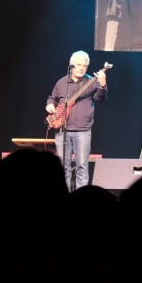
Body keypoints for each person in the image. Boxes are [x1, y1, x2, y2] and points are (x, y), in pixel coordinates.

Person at [45, 50, 107, 191]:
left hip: (83, 131)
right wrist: (49, 104)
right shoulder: (61, 83)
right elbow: (52, 97)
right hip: (62, 131)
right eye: (78, 64)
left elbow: (101, 98)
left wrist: (102, 85)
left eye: (84, 66)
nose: (81, 68)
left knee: (82, 166)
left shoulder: (92, 82)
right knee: (63, 168)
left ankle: (81, 200)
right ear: (71, 65)